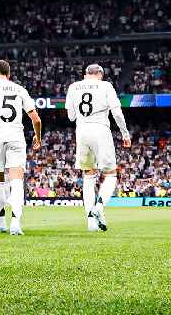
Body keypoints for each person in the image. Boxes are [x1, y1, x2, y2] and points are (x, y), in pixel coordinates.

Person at [0, 60, 41, 235]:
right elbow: (36, 119)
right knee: (17, 181)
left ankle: (1, 222)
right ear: (8, 74)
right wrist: (38, 137)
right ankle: (16, 223)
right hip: (15, 138)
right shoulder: (19, 89)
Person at [66, 64, 131, 231]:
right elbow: (116, 112)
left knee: (88, 176)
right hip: (100, 129)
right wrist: (125, 133)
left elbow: (71, 116)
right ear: (100, 74)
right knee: (110, 174)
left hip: (81, 131)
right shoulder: (105, 85)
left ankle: (90, 221)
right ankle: (99, 208)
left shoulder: (73, 87)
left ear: (85, 74)